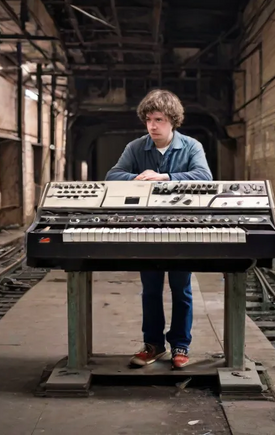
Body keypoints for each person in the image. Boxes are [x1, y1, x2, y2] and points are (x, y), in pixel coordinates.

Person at [105, 89, 213, 369]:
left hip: (181, 226)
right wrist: (138, 178)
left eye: (159, 120)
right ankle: (153, 345)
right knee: (150, 289)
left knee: (182, 288)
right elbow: (113, 175)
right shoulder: (136, 147)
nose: (152, 126)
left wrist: (164, 177)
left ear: (173, 120)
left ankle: (180, 345)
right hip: (147, 226)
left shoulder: (191, 147)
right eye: (149, 120)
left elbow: (204, 176)